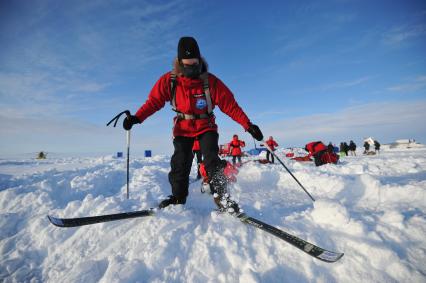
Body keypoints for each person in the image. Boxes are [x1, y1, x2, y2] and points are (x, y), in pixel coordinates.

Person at [122, 37, 263, 212]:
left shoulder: (210, 81)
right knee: (180, 162)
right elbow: (154, 102)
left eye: (194, 63)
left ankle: (223, 198)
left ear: (199, 60)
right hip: (182, 127)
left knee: (211, 160)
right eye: (186, 64)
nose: (190, 67)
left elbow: (230, 105)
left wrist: (248, 125)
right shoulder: (170, 80)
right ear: (180, 62)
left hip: (206, 126)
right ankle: (178, 198)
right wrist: (137, 118)